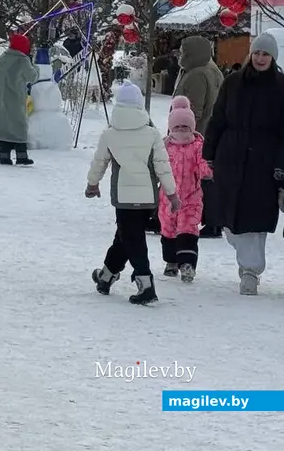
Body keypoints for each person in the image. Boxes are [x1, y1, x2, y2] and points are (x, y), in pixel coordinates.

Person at [202, 32, 284, 295]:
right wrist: (210, 152)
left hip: (264, 159)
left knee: (255, 217)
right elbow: (217, 118)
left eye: (266, 54)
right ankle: (246, 259)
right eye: (257, 53)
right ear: (251, 54)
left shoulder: (282, 87)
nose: (261, 58)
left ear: (273, 58)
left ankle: (251, 270)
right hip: (231, 154)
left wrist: (282, 165)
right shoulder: (233, 82)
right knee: (229, 219)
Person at [86, 82, 179, 305]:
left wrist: (92, 184)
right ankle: (106, 276)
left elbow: (100, 161)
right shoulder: (152, 133)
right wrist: (172, 193)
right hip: (147, 198)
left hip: (124, 198)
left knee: (131, 238)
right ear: (139, 106)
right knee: (125, 236)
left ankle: (145, 284)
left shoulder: (109, 134)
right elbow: (162, 164)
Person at [173, 35, 225, 237]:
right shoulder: (212, 70)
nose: (181, 54)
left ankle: (208, 220)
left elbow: (193, 110)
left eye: (184, 50)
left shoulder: (197, 74)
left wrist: (179, 132)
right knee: (206, 177)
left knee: (196, 178)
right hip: (208, 134)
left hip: (195, 135)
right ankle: (212, 220)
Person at [159, 97, 211, 282]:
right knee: (168, 229)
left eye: (185, 127)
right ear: (171, 128)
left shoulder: (197, 146)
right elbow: (157, 165)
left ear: (192, 128)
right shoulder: (164, 146)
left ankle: (187, 264)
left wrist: (208, 171)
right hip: (168, 197)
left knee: (188, 229)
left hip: (191, 197)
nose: (181, 131)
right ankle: (171, 261)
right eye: (177, 127)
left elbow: (202, 163)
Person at [0, 34, 39, 165]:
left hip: (0, 97)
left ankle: (4, 157)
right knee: (18, 126)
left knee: (3, 127)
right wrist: (36, 67)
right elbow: (32, 77)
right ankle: (22, 156)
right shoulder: (23, 60)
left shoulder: (3, 58)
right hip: (16, 98)